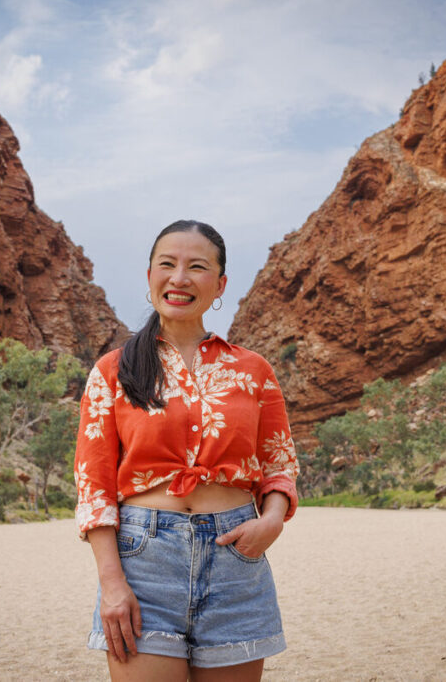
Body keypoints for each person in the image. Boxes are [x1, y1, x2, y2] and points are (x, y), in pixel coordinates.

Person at [74, 220, 299, 681]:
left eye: (196, 267)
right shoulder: (113, 371)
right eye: (167, 264)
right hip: (143, 564)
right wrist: (112, 584)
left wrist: (272, 520)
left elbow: (279, 463)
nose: (179, 278)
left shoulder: (253, 371)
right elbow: (94, 488)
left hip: (237, 558)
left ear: (219, 285)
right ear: (150, 275)